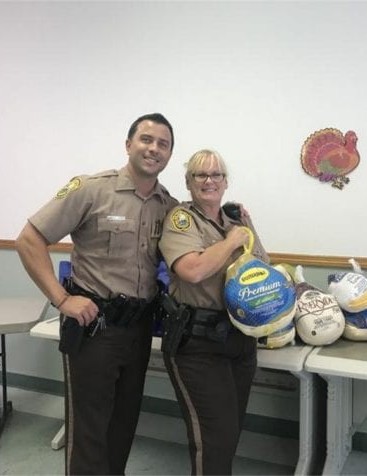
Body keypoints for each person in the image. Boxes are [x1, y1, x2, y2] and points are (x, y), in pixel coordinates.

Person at [15, 113, 178, 475]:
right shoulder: (91, 189)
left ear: (169, 154)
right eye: (146, 140)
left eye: (163, 144)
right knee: (90, 430)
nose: (154, 149)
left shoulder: (168, 206)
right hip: (94, 328)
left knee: (123, 426)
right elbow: (29, 240)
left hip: (138, 330)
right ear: (128, 144)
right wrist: (61, 299)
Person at [158, 149, 269, 475]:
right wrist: (233, 240)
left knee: (230, 431)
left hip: (239, 338)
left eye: (216, 174)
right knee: (214, 438)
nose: (209, 181)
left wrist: (240, 227)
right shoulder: (181, 219)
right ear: (188, 182)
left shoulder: (238, 218)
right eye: (200, 175)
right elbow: (192, 270)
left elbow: (261, 266)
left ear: (225, 181)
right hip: (198, 344)